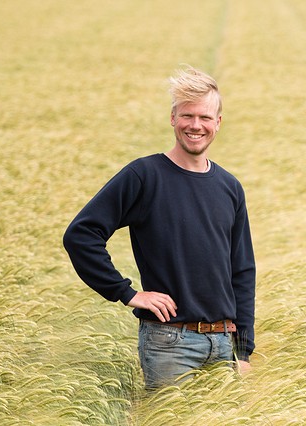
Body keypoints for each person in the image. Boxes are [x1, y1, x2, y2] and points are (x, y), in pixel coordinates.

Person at [63, 66, 255, 389]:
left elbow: (242, 271)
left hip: (224, 345)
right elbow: (80, 235)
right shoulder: (144, 176)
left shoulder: (230, 187)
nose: (196, 125)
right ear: (172, 118)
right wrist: (127, 293)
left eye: (205, 117)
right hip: (170, 345)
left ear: (218, 123)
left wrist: (244, 351)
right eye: (187, 116)